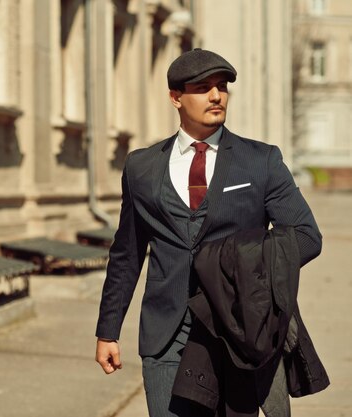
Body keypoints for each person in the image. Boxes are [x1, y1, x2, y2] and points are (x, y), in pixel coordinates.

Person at [94, 49, 322, 417]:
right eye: (202, 88)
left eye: (222, 87)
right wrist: (108, 330)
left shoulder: (260, 161)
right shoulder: (142, 167)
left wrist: (238, 264)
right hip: (168, 335)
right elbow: (127, 253)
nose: (216, 96)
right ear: (176, 98)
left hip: (240, 332)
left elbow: (307, 236)